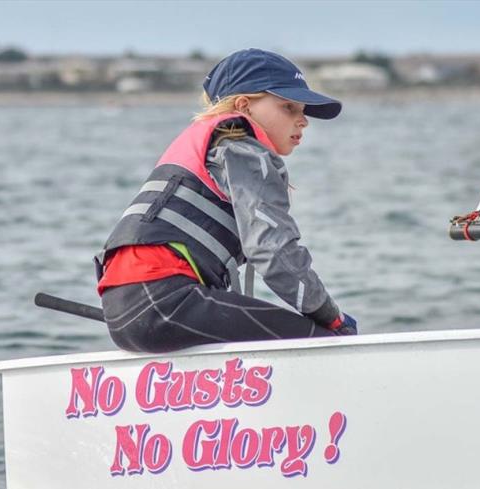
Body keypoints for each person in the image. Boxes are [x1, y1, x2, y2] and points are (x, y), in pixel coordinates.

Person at [94, 49, 357, 353]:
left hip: (126, 309)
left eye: (303, 111)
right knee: (324, 345)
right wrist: (331, 317)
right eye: (288, 107)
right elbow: (271, 249)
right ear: (244, 106)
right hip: (166, 301)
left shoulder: (209, 146)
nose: (303, 121)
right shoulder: (242, 150)